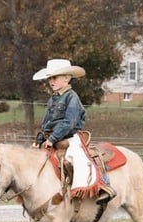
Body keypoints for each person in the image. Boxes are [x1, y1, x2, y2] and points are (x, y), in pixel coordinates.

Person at [33, 58, 116, 205]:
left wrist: (52, 138)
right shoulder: (53, 98)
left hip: (70, 137)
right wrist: (41, 138)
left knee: (79, 158)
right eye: (50, 78)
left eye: (54, 77)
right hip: (52, 137)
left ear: (66, 78)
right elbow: (46, 122)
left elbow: (69, 123)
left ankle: (102, 187)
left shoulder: (72, 97)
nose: (51, 81)